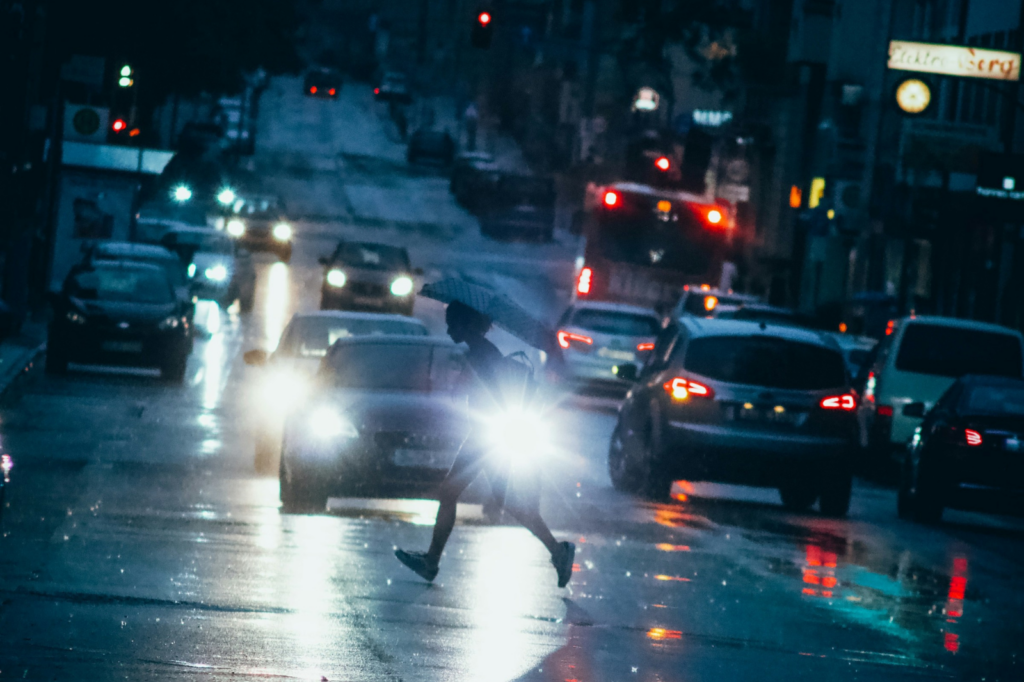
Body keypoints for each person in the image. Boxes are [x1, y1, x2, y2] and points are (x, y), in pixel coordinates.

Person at [395, 301, 575, 587]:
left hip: (485, 439)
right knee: (507, 503)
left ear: (466, 324)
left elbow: (483, 392)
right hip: (487, 437)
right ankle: (558, 550)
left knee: (450, 492)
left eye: (452, 322)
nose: (448, 328)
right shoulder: (481, 351)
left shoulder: (482, 353)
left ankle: (431, 561)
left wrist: (463, 384)